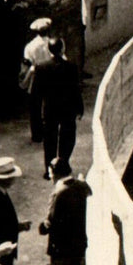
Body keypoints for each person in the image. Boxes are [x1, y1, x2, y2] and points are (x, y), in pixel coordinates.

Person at [32, 38, 84, 180]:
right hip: (67, 108)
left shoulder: (41, 67)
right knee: (67, 137)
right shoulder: (71, 67)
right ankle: (63, 164)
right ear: (62, 49)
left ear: (49, 51)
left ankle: (49, 169)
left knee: (50, 139)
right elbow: (76, 90)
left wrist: (36, 113)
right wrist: (80, 107)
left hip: (50, 109)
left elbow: (37, 93)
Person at [21, 17, 52, 148]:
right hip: (51, 77)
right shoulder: (53, 43)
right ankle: (50, 130)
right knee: (50, 104)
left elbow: (26, 65)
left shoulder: (30, 46)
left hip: (36, 77)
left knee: (35, 107)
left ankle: (37, 135)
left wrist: (23, 78)